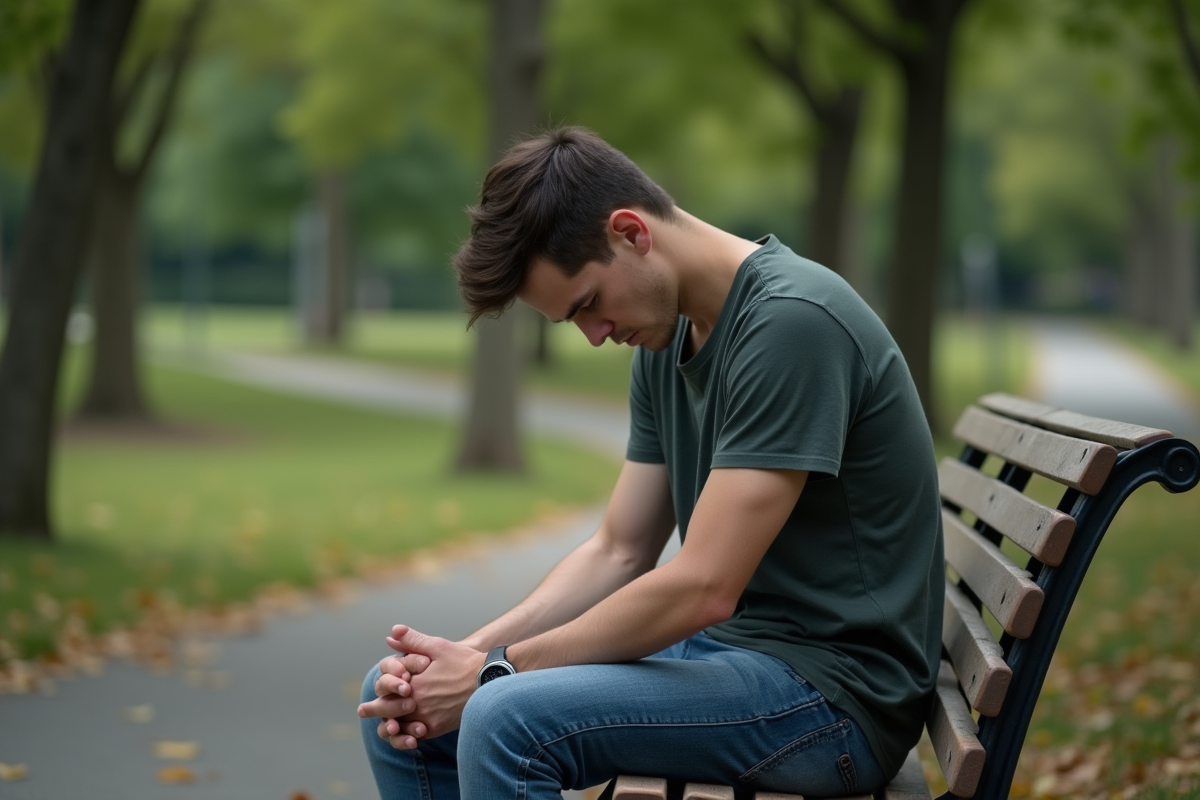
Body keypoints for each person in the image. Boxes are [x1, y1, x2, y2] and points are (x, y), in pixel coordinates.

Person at [357, 127, 943, 799]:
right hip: (738, 659)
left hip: (833, 699)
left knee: (503, 714)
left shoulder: (792, 323)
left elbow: (703, 587)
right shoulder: (664, 346)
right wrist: (461, 658)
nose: (596, 335)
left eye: (588, 305)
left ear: (632, 232)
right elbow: (619, 549)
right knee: (397, 695)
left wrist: (493, 672)